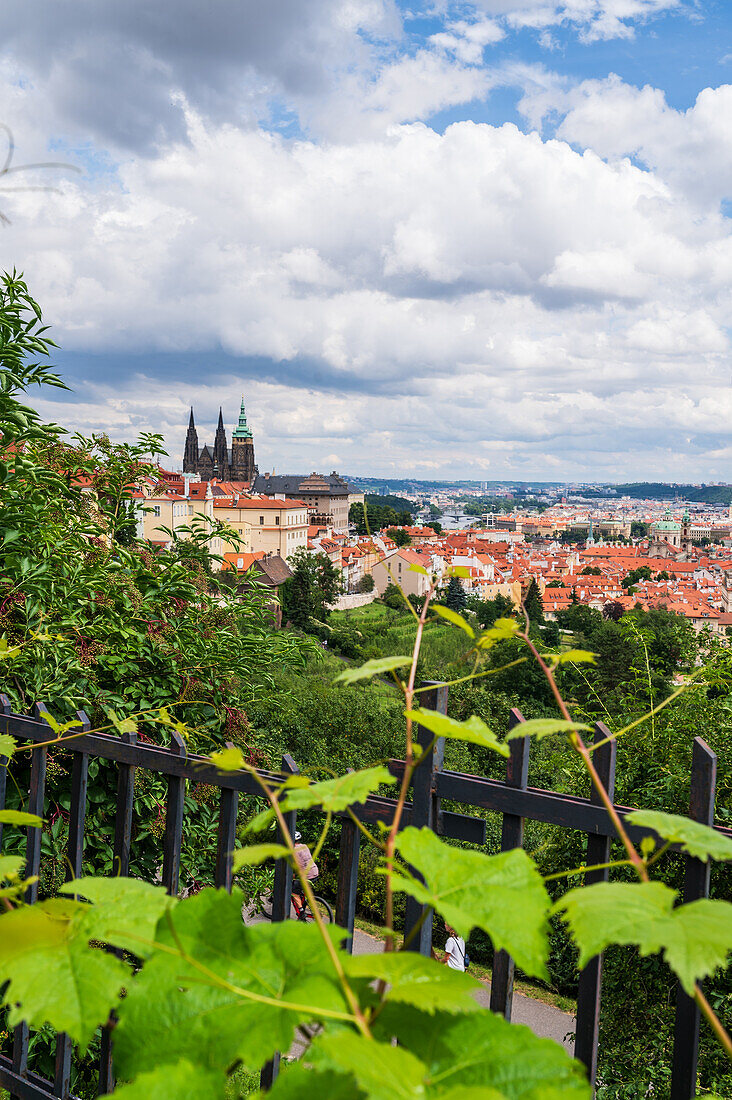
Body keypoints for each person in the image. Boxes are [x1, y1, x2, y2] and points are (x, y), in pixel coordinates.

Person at [291, 831, 319, 919]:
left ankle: (301, 912)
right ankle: (306, 906)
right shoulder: (304, 846)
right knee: (301, 890)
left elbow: (298, 865)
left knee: (293, 892)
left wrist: (293, 874)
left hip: (308, 876)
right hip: (315, 872)